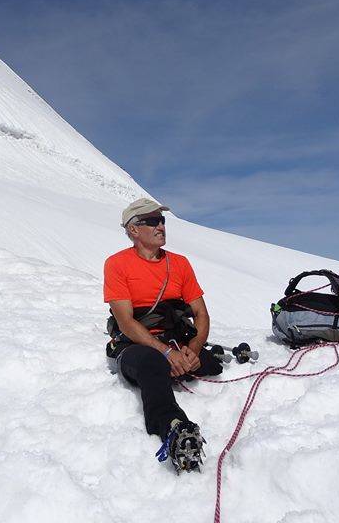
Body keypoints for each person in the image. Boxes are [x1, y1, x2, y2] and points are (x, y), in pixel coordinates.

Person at [104, 197, 222, 473]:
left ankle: (183, 362)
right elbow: (126, 321)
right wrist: (167, 353)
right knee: (152, 363)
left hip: (176, 341)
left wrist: (192, 349)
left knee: (209, 363)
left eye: (162, 221)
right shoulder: (117, 265)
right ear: (133, 230)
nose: (161, 226)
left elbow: (201, 314)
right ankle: (172, 426)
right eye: (152, 221)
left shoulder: (180, 264)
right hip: (136, 344)